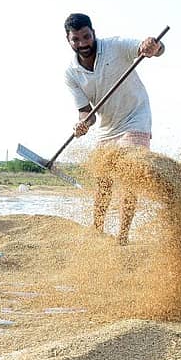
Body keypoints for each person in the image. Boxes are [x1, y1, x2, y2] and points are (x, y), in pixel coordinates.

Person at [63, 13, 165, 245]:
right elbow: (86, 112)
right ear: (68, 40)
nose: (82, 43)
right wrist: (82, 124)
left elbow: (154, 49)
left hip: (136, 118)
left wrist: (153, 46)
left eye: (86, 37)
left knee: (129, 174)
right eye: (76, 39)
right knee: (104, 181)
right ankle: (97, 229)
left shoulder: (116, 46)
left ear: (93, 33)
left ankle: (123, 237)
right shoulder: (71, 73)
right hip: (107, 128)